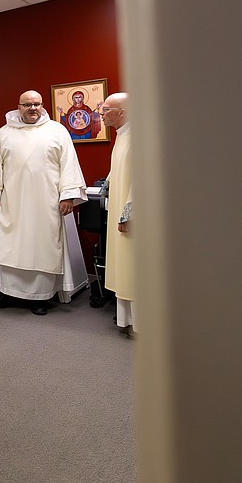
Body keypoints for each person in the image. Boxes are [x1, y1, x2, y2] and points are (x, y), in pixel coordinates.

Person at [0, 90, 88, 315]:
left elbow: (69, 164)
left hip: (45, 203)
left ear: (42, 106)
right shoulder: (5, 133)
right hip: (12, 202)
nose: (32, 108)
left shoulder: (57, 131)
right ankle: (7, 292)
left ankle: (40, 296)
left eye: (37, 104)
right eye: (27, 104)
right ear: (18, 106)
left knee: (41, 247)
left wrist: (67, 195)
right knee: (9, 246)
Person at [100, 92, 135, 336]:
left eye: (106, 110)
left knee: (133, 266)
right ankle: (128, 320)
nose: (101, 115)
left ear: (121, 112)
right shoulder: (123, 135)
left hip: (133, 216)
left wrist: (129, 214)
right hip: (121, 206)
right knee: (124, 265)